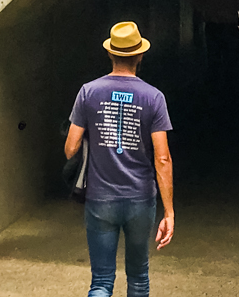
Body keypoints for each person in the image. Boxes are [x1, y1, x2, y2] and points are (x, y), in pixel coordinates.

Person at [65, 22, 175, 297]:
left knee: (101, 281)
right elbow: (162, 159)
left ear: (110, 54)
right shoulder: (154, 97)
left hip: (100, 198)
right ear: (139, 56)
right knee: (138, 278)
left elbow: (70, 148)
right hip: (140, 199)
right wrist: (169, 211)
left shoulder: (88, 92)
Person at [196, 0, 239, 91]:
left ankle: (214, 88)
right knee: (231, 61)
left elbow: (198, 8)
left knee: (213, 59)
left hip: (212, 27)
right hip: (230, 29)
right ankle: (230, 88)